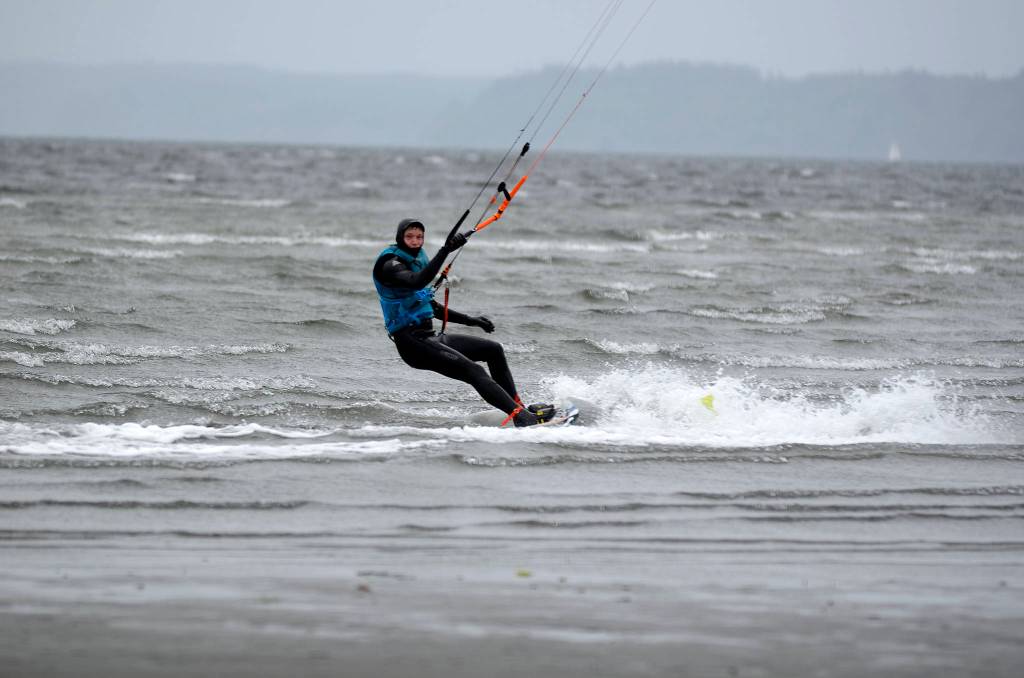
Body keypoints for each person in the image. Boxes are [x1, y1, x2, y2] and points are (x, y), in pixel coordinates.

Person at [372, 218, 545, 427]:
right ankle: (521, 418)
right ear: (400, 237)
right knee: (475, 372)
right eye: (409, 237)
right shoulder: (389, 264)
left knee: (493, 350)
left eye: (419, 237)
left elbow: (432, 307)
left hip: (429, 338)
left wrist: (470, 320)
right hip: (412, 343)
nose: (415, 241)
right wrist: (446, 250)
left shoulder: (416, 259)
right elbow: (416, 281)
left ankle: (520, 409)